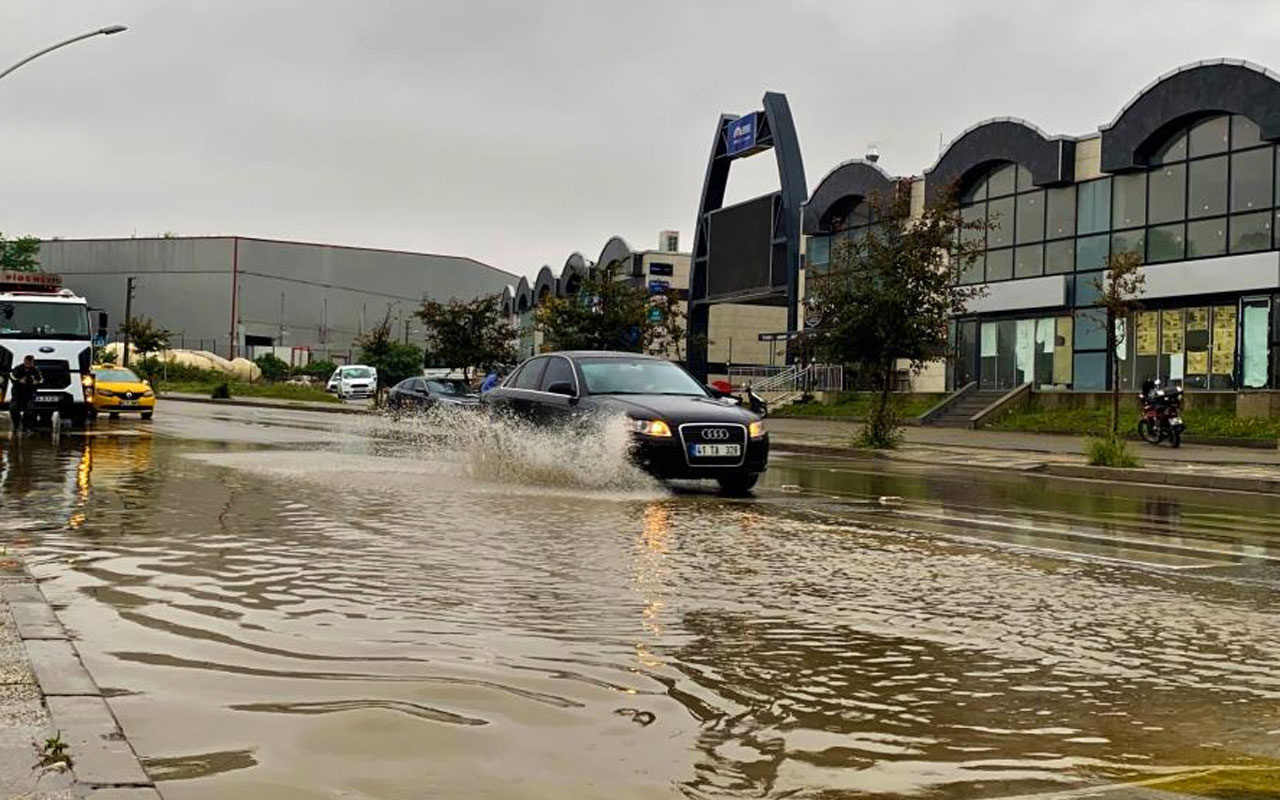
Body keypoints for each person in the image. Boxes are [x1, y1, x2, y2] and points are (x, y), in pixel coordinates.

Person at [8, 355, 43, 432]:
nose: (28, 365)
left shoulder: (36, 370)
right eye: (27, 362)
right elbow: (12, 376)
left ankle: (27, 427)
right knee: (13, 408)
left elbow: (41, 380)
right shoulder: (18, 368)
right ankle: (16, 425)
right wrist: (19, 380)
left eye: (30, 363)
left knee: (30, 410)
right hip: (18, 392)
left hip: (30, 392)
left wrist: (36, 382)